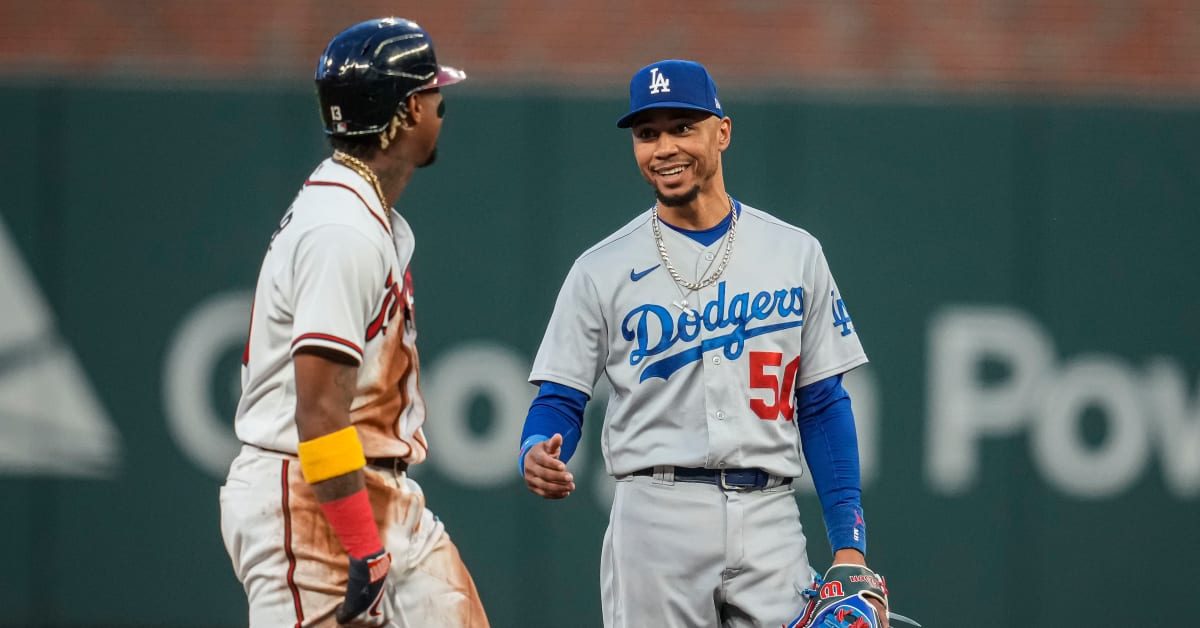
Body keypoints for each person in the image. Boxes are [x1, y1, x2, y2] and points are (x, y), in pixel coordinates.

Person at [518, 59, 886, 627]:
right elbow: (559, 399)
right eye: (647, 134)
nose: (664, 147)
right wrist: (537, 446)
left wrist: (849, 546)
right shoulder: (601, 268)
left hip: (770, 514)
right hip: (656, 516)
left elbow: (822, 403)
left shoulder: (795, 253)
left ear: (723, 131)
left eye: (682, 127)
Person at [219, 18, 488, 628]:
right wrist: (363, 544)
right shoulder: (341, 229)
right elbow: (319, 413)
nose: (440, 104)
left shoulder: (355, 210)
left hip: (373, 487)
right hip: (310, 496)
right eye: (432, 93)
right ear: (408, 110)